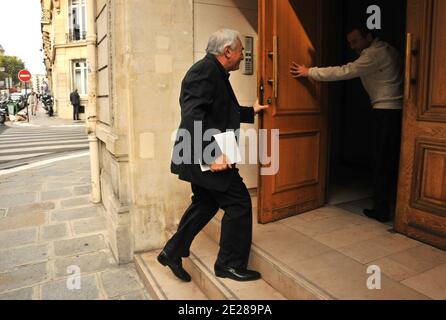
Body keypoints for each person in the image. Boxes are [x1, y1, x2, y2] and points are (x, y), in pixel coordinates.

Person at [158, 29, 268, 283]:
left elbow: (219, 111)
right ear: (227, 51)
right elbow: (192, 116)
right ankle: (229, 265)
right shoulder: (205, 71)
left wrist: (251, 111)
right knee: (239, 204)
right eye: (241, 51)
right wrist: (211, 157)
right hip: (206, 156)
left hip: (203, 154)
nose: (243, 56)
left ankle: (172, 252)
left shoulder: (215, 72)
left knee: (206, 203)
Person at [290, 25, 403, 223]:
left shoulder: (373, 54)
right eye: (350, 42)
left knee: (381, 161)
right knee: (390, 159)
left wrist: (310, 72)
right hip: (398, 110)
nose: (353, 46)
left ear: (368, 36)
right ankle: (391, 204)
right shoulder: (389, 49)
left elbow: (344, 71)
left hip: (385, 111)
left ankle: (382, 210)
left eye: (356, 41)